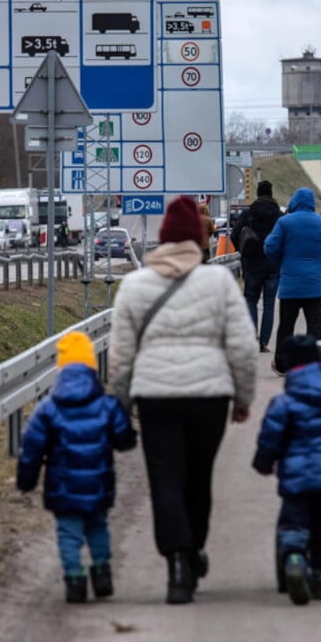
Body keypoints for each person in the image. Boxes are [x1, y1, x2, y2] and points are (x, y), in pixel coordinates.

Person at [108, 196, 257, 605]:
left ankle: (176, 560)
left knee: (165, 477)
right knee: (198, 477)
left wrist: (119, 403)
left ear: (162, 240)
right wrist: (243, 396)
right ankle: (193, 550)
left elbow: (121, 353)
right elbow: (242, 346)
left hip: (156, 398)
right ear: (198, 241)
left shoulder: (136, 286)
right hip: (210, 398)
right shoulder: (219, 283)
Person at [16, 332, 138, 603]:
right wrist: (127, 438)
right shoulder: (106, 405)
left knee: (68, 533)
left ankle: (74, 578)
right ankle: (102, 571)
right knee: (98, 528)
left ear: (60, 369)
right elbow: (124, 439)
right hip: (98, 485)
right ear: (92, 366)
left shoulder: (48, 409)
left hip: (63, 488)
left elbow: (31, 449)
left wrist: (27, 480)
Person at [252, 335, 321, 605]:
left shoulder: (283, 404)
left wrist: (263, 462)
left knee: (294, 521)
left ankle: (294, 558)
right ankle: (320, 575)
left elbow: (269, 438)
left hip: (295, 479)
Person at [263, 187, 321, 372]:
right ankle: (314, 363)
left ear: (294, 202)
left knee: (286, 326)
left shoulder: (284, 223)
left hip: (290, 284)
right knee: (315, 326)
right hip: (315, 284)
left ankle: (282, 364)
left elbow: (270, 246)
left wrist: (280, 263)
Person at [231, 180, 283, 353]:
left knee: (251, 301)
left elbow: (234, 235)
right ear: (271, 193)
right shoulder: (279, 215)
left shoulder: (248, 213)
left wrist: (243, 250)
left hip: (252, 264)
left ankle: (252, 338)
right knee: (269, 304)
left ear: (258, 193)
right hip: (272, 266)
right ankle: (264, 343)